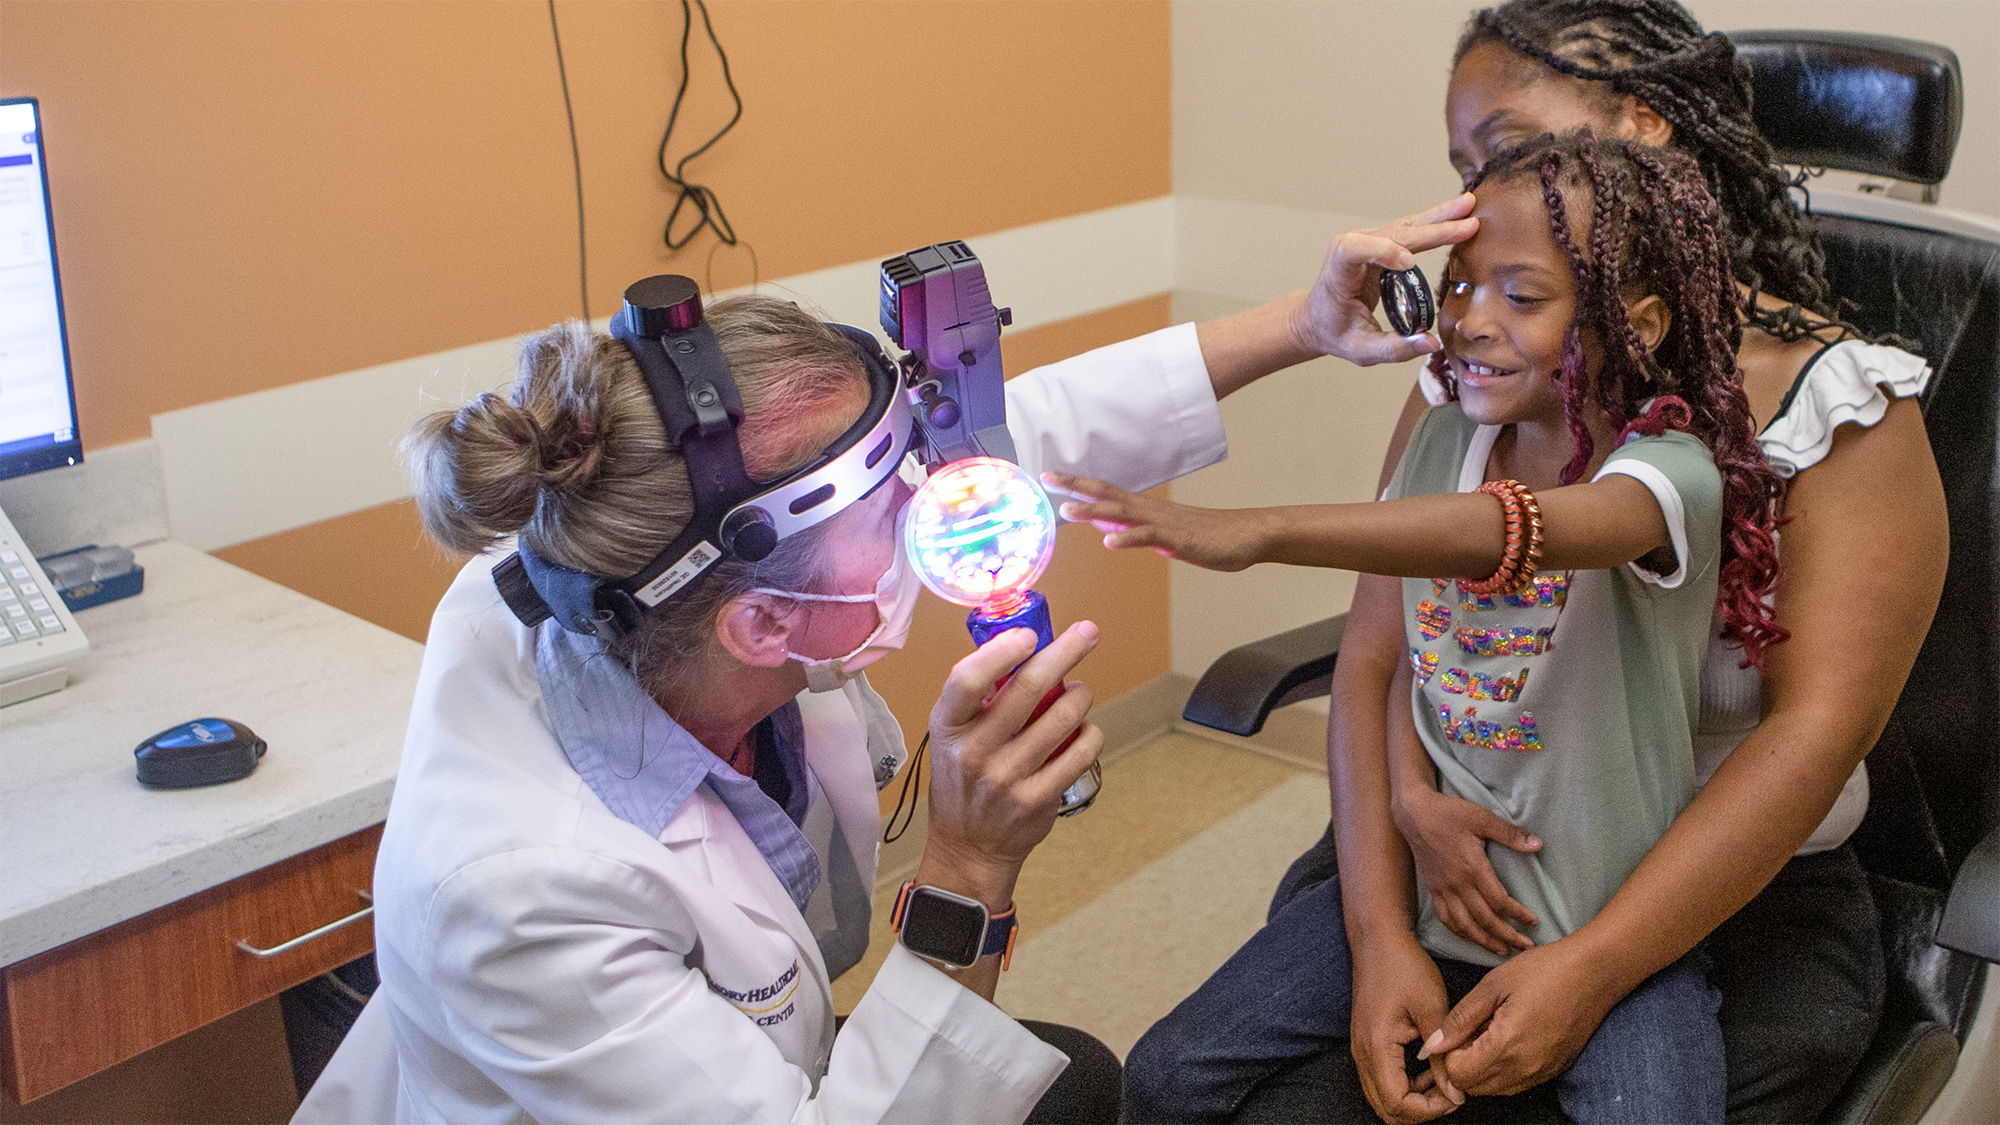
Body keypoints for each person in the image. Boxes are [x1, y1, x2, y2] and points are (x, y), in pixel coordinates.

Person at [292, 198, 1480, 1124]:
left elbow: (1014, 439)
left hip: (757, 1061)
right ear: (761, 626)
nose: (952, 509)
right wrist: (964, 873)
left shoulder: (613, 566)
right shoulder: (521, 894)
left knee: (1058, 1082)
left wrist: (1299, 326)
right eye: (902, 519)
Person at [1122, 3, 1947, 1122]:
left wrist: (1595, 966)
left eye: (1502, 148)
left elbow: (1803, 736)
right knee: (1222, 1085)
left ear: (1642, 127)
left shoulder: (1829, 413)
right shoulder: (1471, 388)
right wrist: (1405, 819)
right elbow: (1384, 651)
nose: (1469, 203)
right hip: (1456, 837)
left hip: (1719, 892)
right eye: (1463, 168)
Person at [1062, 128, 1779, 1123]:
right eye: (1455, 288)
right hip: (1421, 897)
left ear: (1638, 321)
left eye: (1520, 297)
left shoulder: (1666, 476)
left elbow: (1514, 534)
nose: (1469, 323)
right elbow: (1396, 662)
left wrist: (1254, 529)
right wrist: (1380, 929)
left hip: (1600, 933)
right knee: (1168, 1075)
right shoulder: (1446, 435)